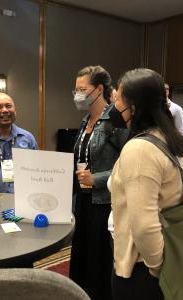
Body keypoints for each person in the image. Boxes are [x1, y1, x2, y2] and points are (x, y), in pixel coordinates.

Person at [110, 68, 183, 299]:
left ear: (133, 106)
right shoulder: (167, 138)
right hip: (168, 253)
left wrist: (157, 269)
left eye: (118, 100)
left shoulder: (140, 149)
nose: (114, 106)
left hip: (142, 268)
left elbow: (144, 224)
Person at [69, 65, 129, 300]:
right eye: (75, 90)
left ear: (99, 89)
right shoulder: (85, 120)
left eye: (82, 89)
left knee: (99, 257)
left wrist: (98, 179)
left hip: (105, 201)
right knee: (82, 251)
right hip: (83, 199)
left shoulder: (116, 119)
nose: (77, 95)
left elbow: (129, 164)